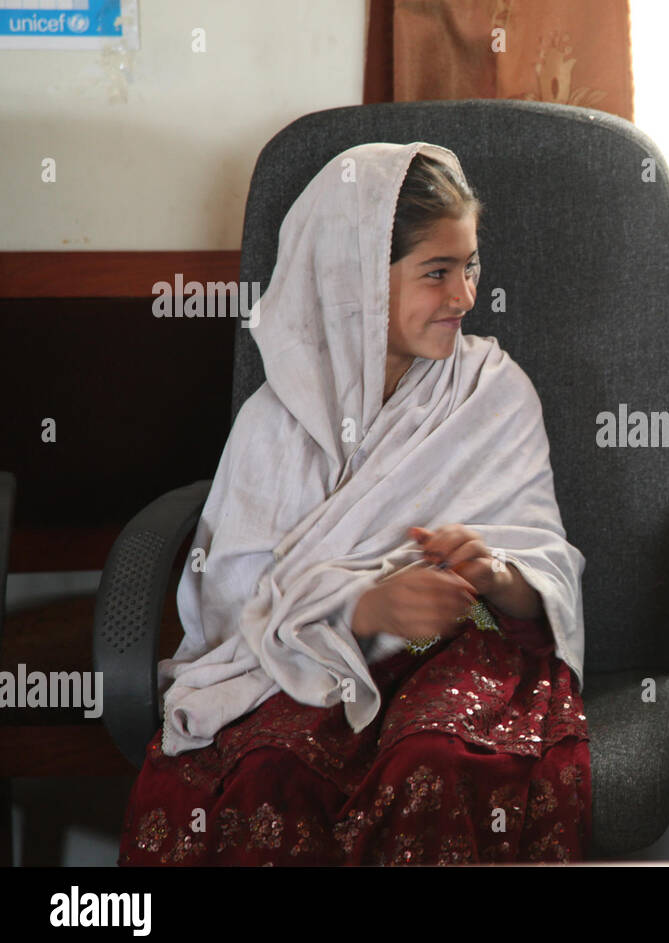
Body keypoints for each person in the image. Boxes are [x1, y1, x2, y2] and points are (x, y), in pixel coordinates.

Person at [118, 142, 590, 865]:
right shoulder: (276, 421)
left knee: (437, 759)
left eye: (470, 267)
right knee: (268, 773)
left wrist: (496, 575)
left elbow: (543, 567)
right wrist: (362, 609)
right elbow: (229, 602)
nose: (464, 296)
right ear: (355, 280)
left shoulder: (493, 391)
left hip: (461, 648)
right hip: (310, 659)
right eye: (437, 272)